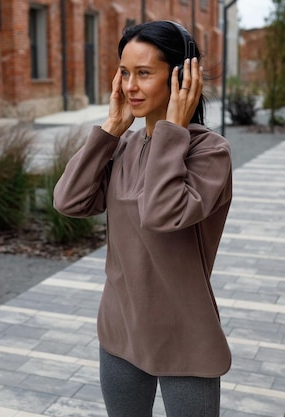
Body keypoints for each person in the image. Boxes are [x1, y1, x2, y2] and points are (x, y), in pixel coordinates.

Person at [53, 20, 232, 417]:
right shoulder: (124, 145)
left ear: (182, 78)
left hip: (185, 339)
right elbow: (68, 201)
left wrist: (171, 130)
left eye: (144, 74)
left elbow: (160, 213)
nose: (130, 86)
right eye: (124, 72)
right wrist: (112, 129)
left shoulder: (209, 153)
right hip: (120, 330)